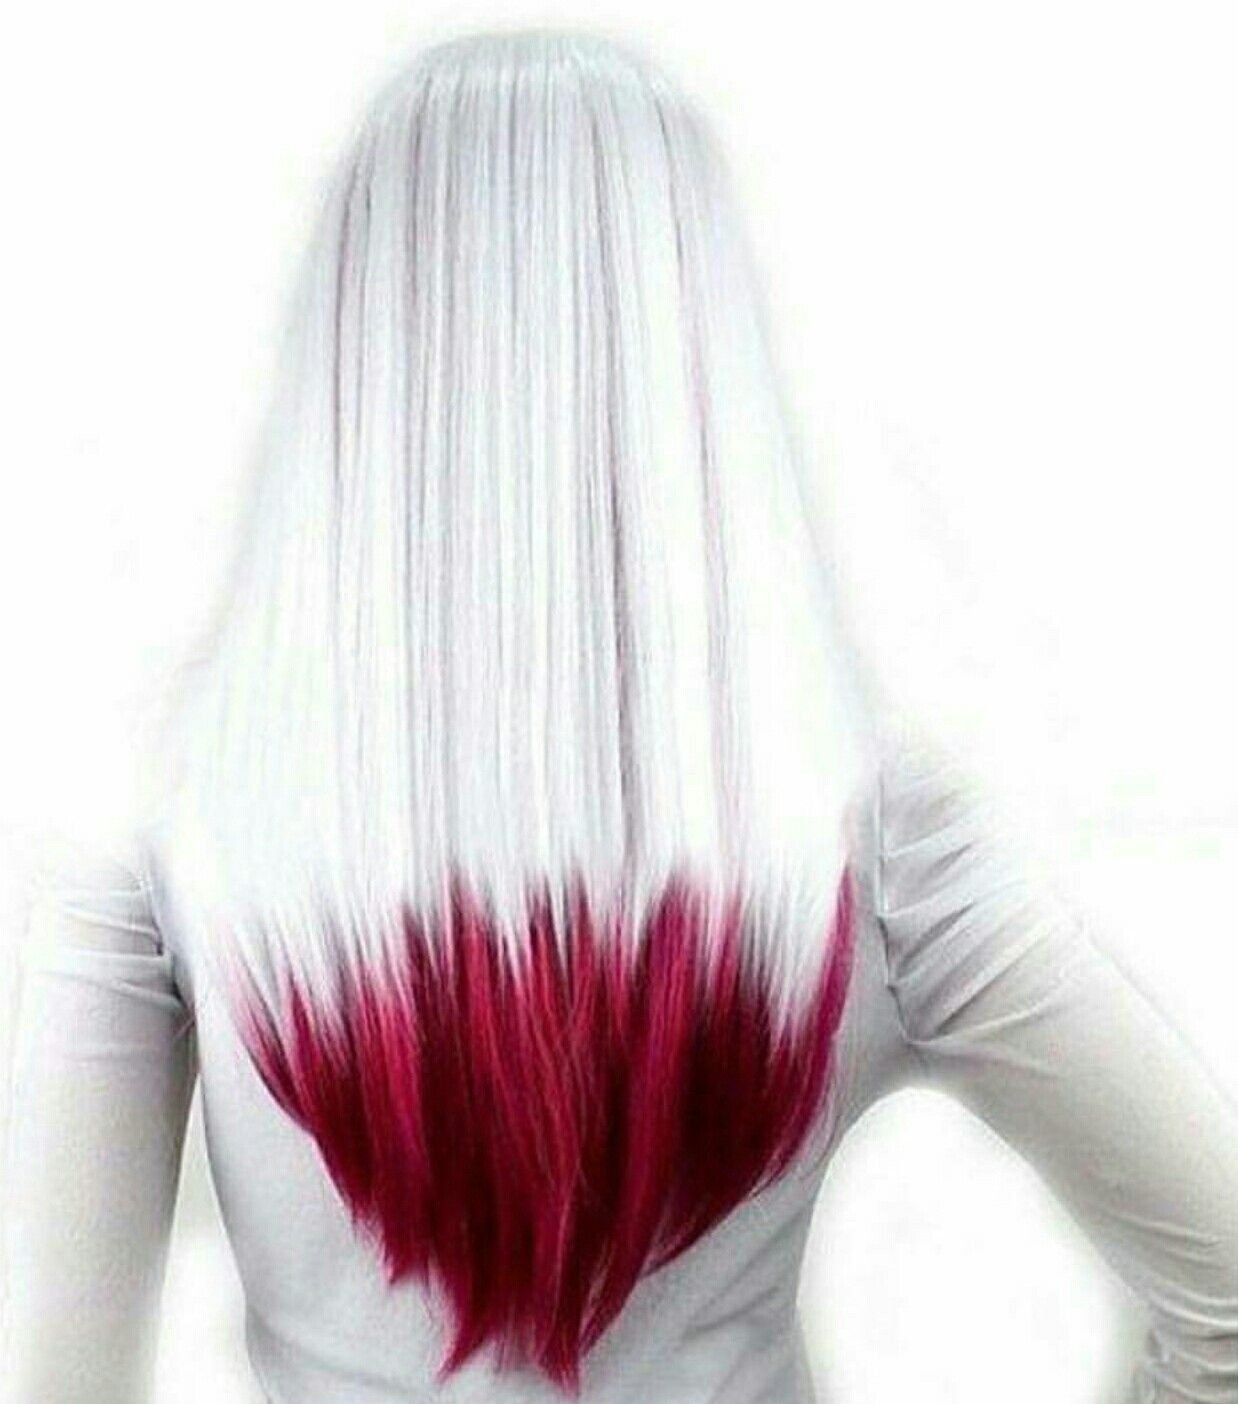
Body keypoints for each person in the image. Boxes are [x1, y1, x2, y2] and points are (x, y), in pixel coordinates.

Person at [4, 30, 1236, 1404]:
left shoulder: (165, 821)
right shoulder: (871, 821)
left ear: (354, 360)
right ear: (690, 351)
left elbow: (53, 1385)